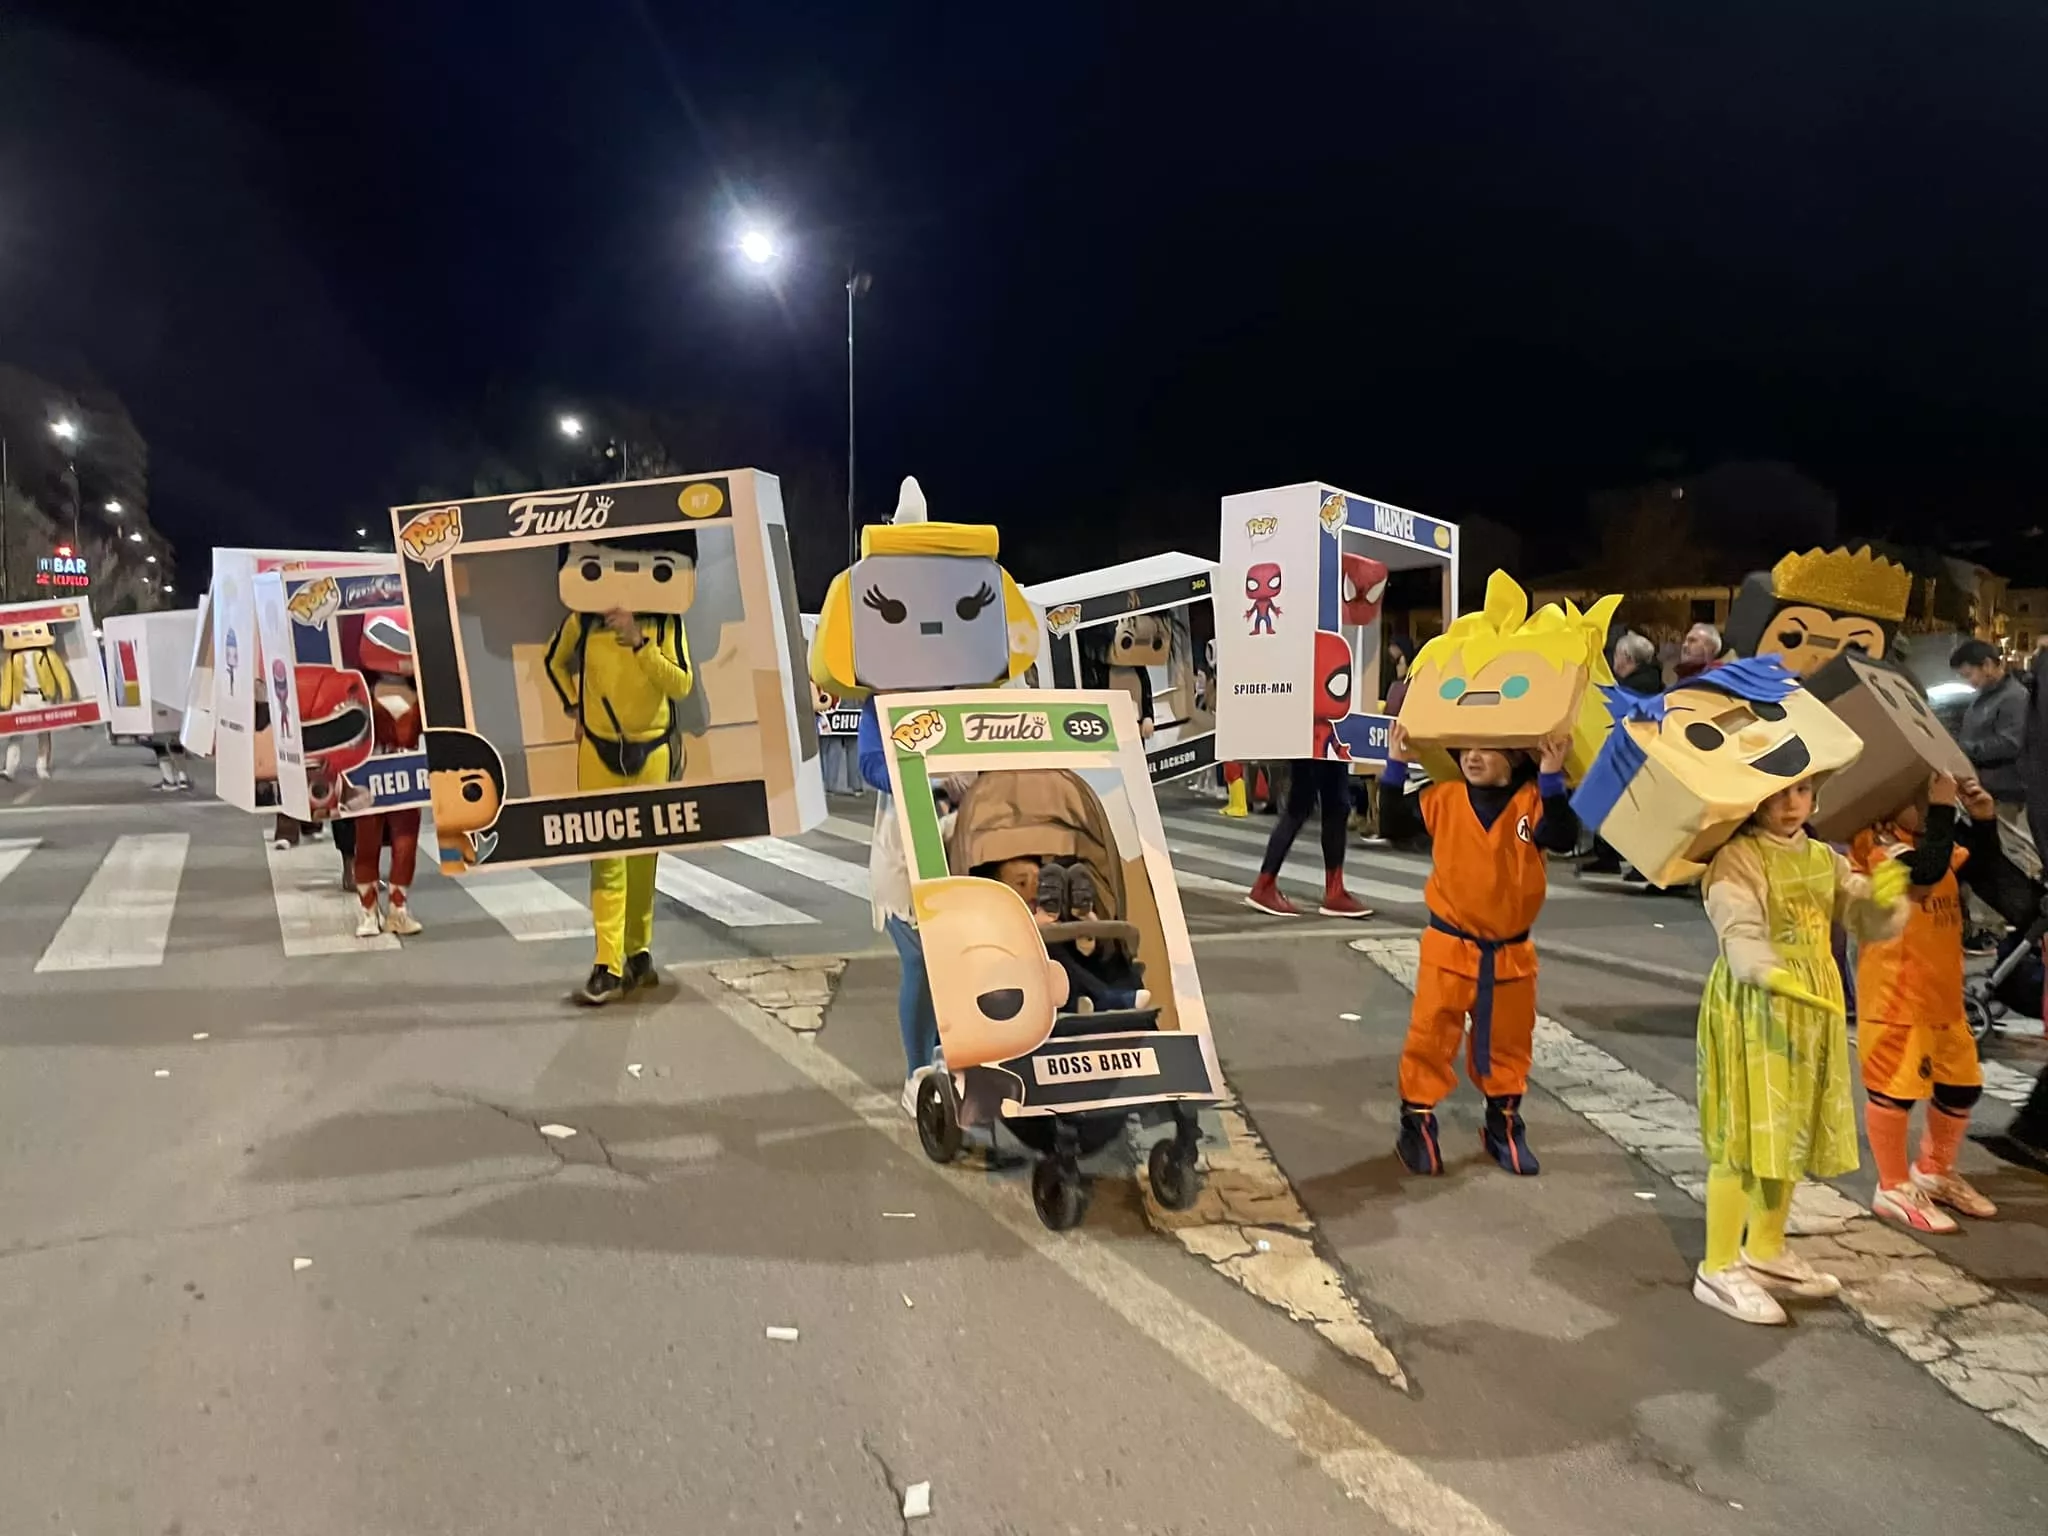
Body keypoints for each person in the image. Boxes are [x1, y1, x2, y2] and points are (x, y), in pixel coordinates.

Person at [1693, 778, 1909, 1325]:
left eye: (1803, 790)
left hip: (1811, 1002)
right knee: (1744, 1132)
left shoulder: (1823, 857)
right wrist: (1765, 970)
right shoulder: (1737, 856)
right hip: (1755, 1002)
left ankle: (1765, 1249)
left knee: (1789, 1126)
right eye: (1778, 791)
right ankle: (1718, 1265)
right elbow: (1737, 920)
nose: (1790, 803)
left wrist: (1885, 900)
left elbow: (1863, 917)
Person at [1381, 724, 1576, 1174]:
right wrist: (1395, 766)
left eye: (1487, 748)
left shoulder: (1533, 800)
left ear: (1515, 756)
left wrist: (1551, 776)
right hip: (1449, 947)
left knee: (1509, 1042)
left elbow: (1563, 836)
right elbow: (1392, 825)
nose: (1472, 756)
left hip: (1509, 953)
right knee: (1430, 1036)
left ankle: (1502, 1125)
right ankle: (1416, 1123)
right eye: (1467, 747)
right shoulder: (1444, 797)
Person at [1850, 772, 2023, 1233]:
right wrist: (1945, 808)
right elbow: (1924, 873)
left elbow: (1982, 869)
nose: (1932, 808)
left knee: (1961, 1088)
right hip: (1896, 998)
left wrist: (1983, 820)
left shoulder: (1933, 837)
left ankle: (1935, 1170)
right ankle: (1892, 1185)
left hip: (1942, 996)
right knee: (1896, 1092)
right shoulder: (1876, 841)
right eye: (1923, 801)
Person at [1243, 758, 1373, 919]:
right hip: (1313, 747)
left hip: (1331, 746)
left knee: (1336, 806)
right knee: (1302, 805)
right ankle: (1264, 885)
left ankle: (1335, 890)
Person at [1580, 633, 1662, 876]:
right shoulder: (1653, 683)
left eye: (1616, 655)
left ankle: (1622, 859)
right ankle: (1613, 856)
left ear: (1626, 657)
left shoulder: (1631, 689)